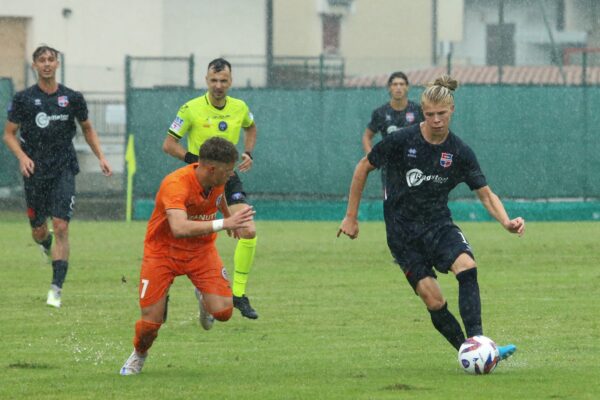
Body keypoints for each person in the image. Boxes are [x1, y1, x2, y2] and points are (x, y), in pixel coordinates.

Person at [337, 75, 524, 363]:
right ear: (422, 113)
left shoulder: (460, 151)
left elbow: (486, 194)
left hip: (438, 224)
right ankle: (473, 353)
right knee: (434, 300)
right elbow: (363, 168)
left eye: (441, 114)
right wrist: (351, 217)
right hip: (402, 234)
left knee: (467, 267)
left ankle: (480, 343)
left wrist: (506, 221)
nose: (436, 120)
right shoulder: (401, 140)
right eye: (430, 114)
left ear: (452, 111)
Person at [119, 137, 255, 376]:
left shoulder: (217, 179)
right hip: (162, 253)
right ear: (211, 169)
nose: (231, 176)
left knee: (223, 312)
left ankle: (203, 297)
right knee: (150, 325)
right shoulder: (176, 184)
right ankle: (138, 355)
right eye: (227, 171)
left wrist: (226, 216)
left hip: (201, 251)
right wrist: (225, 222)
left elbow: (219, 194)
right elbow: (179, 229)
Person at [3, 45, 112, 308]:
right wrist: (22, 157)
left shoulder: (72, 98)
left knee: (62, 225)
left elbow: (87, 129)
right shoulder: (24, 99)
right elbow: (8, 134)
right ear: (35, 66)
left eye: (51, 59)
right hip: (35, 171)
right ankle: (45, 243)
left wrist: (101, 157)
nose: (47, 64)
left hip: (64, 168)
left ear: (58, 64)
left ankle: (56, 289)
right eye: (42, 60)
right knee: (39, 230)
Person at [162, 57, 259, 319]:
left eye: (223, 80)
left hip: (228, 178)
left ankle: (238, 294)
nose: (218, 85)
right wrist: (195, 162)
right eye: (214, 80)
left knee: (248, 229)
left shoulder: (239, 107)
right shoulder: (190, 108)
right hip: (197, 181)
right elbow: (169, 144)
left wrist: (248, 152)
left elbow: (251, 128)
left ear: (230, 81)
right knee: (184, 239)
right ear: (206, 80)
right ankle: (185, 290)